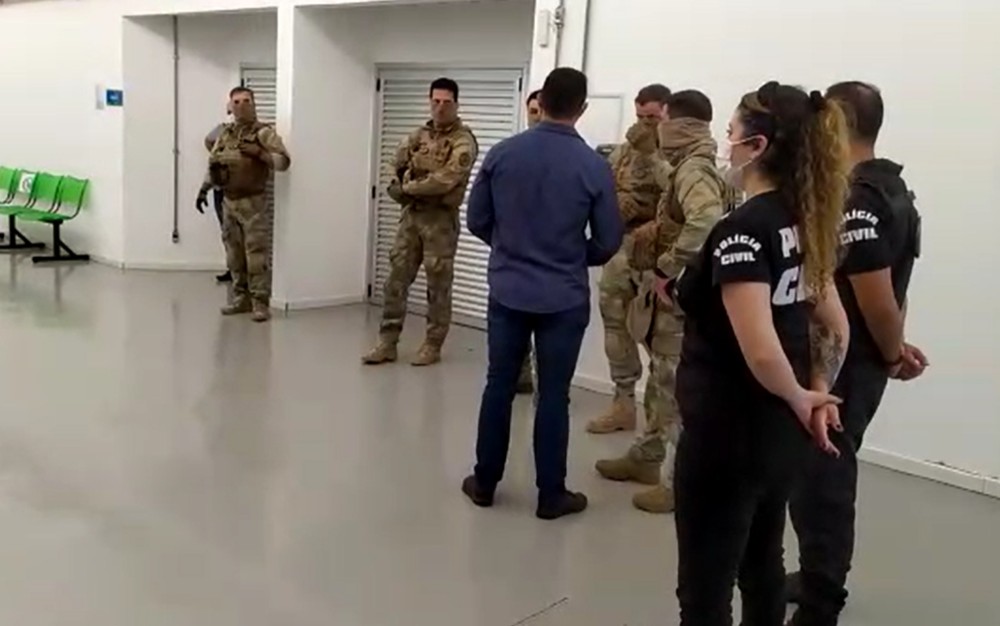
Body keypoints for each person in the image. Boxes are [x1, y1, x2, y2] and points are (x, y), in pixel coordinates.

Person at [670, 81, 852, 625]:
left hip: (727, 432)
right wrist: (815, 393)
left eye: (730, 132)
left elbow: (761, 348)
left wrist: (799, 394)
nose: (725, 144)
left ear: (757, 146)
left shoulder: (742, 231)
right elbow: (835, 325)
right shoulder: (805, 219)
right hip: (776, 433)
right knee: (761, 561)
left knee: (705, 585)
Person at [786, 81, 928, 626]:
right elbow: (896, 291)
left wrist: (891, 354)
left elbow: (876, 295)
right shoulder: (893, 190)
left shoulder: (860, 200)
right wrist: (894, 344)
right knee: (812, 477)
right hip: (856, 359)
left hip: (847, 366)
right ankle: (813, 575)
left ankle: (822, 600)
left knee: (824, 482)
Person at [461, 67, 623, 520]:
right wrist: (572, 256)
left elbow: (476, 219)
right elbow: (609, 239)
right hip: (563, 297)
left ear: (542, 101)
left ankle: (485, 483)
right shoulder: (593, 166)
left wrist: (510, 249)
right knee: (554, 395)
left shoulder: (503, 153)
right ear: (582, 109)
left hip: (508, 290)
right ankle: (551, 495)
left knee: (498, 385)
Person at [595, 89, 726, 514]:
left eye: (661, 119)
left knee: (673, 384)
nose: (654, 127)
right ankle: (648, 456)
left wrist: (669, 265)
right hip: (657, 281)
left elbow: (706, 218)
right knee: (661, 377)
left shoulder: (694, 169)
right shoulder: (686, 165)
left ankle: (676, 483)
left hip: (678, 291)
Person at [362, 78, 479, 367]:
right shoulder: (418, 136)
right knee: (395, 280)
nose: (440, 108)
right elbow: (395, 163)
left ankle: (432, 344)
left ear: (456, 104)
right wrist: (395, 185)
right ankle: (387, 342)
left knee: (438, 285)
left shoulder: (463, 141)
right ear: (429, 102)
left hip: (440, 221)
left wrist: (409, 189)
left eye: (447, 102)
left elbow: (446, 179)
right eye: (435, 101)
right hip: (411, 218)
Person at [586, 83, 672, 435]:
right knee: (615, 331)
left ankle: (660, 424)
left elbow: (682, 199)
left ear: (667, 114)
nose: (644, 124)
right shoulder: (622, 152)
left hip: (658, 257)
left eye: (652, 117)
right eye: (640, 116)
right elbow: (604, 189)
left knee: (660, 339)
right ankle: (623, 404)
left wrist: (652, 154)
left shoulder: (678, 154)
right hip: (620, 251)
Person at [197, 87, 290, 323]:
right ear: (230, 105)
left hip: (253, 203)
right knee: (234, 255)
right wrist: (204, 189)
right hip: (229, 201)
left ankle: (260, 303)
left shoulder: (263, 133)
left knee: (256, 256)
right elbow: (214, 163)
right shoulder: (225, 134)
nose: (241, 106)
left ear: (254, 103)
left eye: (246, 101)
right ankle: (241, 299)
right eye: (236, 102)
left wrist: (260, 153)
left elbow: (283, 162)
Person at [516, 88, 543, 395]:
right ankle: (521, 374)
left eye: (541, 111)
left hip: (552, 256)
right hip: (517, 253)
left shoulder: (577, 154)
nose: (536, 117)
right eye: (532, 112)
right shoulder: (512, 153)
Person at [202, 109, 232, 283]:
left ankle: (245, 273)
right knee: (227, 232)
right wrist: (203, 190)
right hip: (221, 190)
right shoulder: (223, 128)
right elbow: (208, 140)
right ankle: (233, 268)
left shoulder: (254, 131)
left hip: (241, 193)